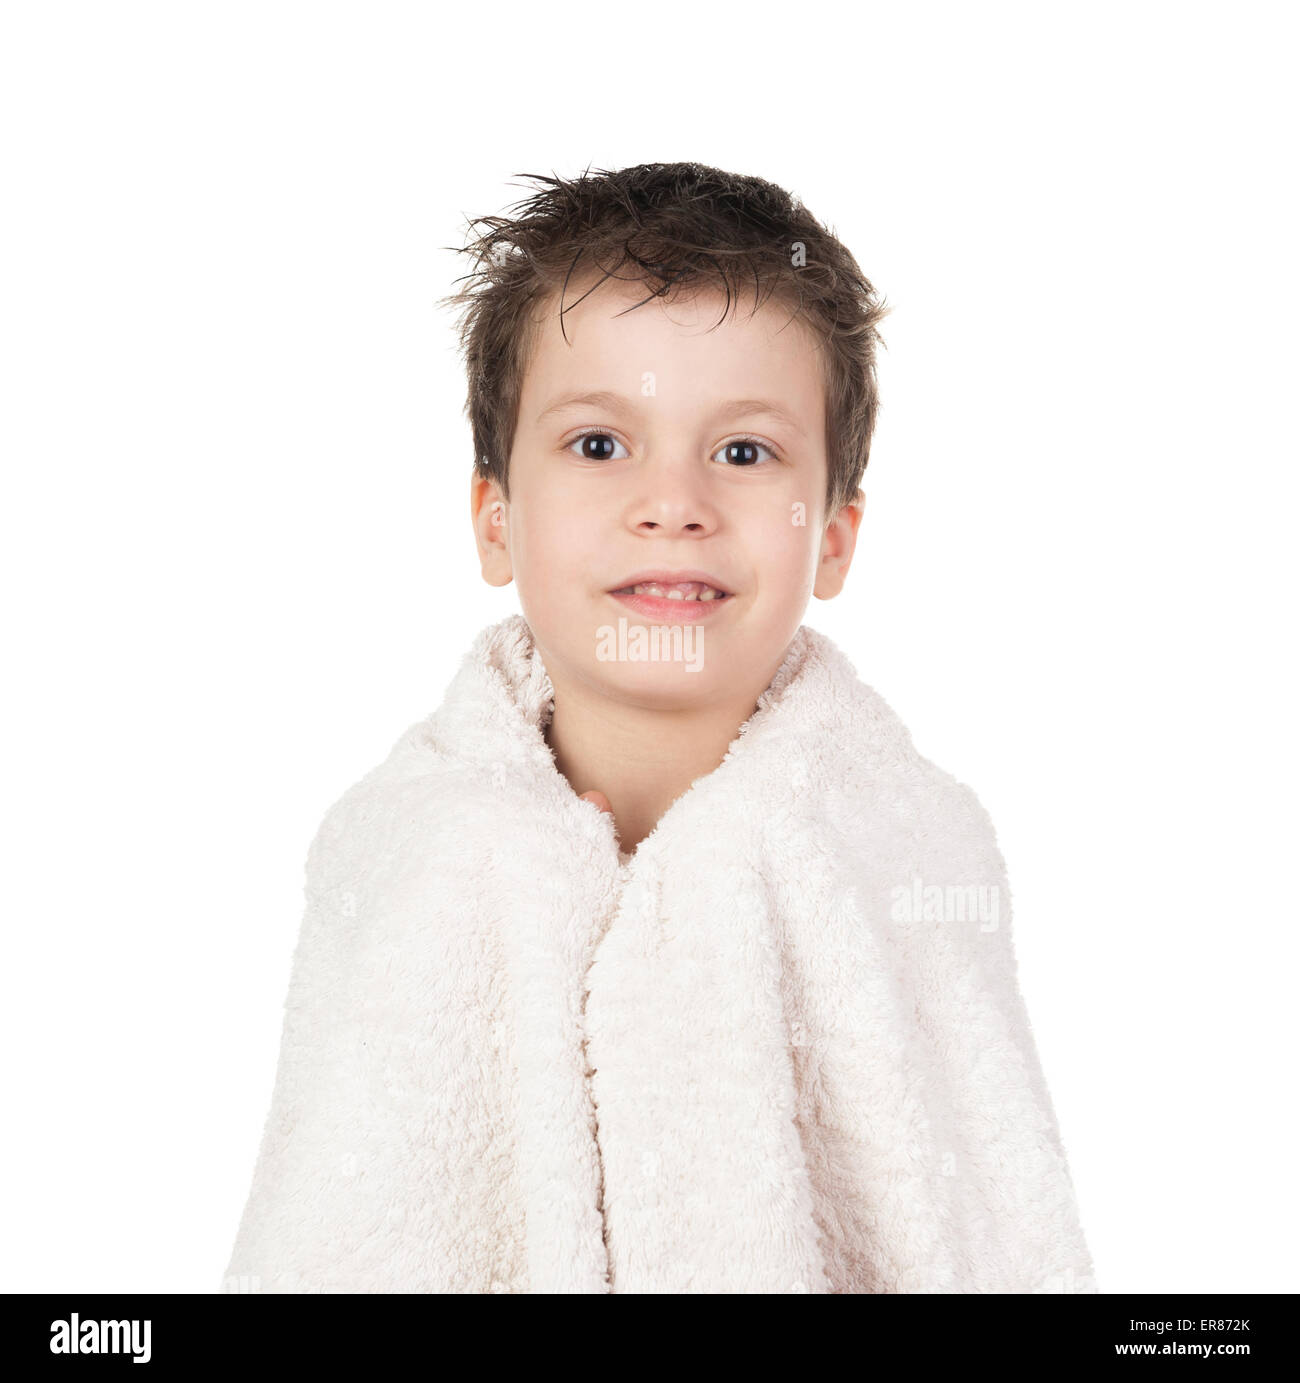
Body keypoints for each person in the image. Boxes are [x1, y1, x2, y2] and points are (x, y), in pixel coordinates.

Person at [222, 162, 1096, 1294]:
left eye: (744, 453)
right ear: (496, 521)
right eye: (598, 445)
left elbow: (980, 1225)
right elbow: (328, 1226)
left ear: (832, 536)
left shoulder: (902, 847)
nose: (672, 501)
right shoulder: (407, 847)